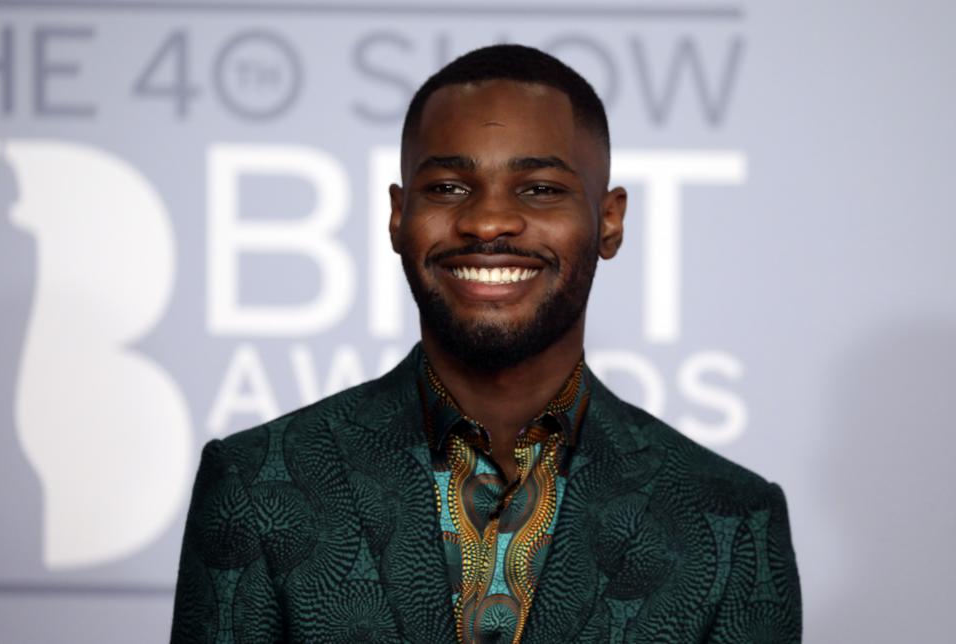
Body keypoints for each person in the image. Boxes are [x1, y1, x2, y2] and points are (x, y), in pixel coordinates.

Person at [170, 44, 801, 643]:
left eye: (540, 189)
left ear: (609, 220)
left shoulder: (731, 522)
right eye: (447, 187)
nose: (487, 220)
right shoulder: (255, 482)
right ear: (397, 217)